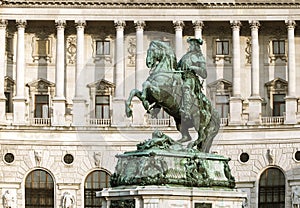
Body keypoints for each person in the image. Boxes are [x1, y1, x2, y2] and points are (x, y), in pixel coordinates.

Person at [177, 38, 208, 121]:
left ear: (196, 46)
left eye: (191, 44)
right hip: (181, 77)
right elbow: (177, 66)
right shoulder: (185, 56)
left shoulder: (200, 57)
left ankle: (187, 111)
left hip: (191, 79)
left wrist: (194, 67)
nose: (189, 46)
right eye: (189, 44)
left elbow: (204, 73)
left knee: (186, 87)